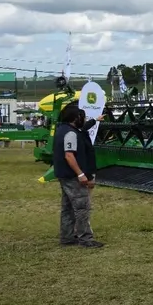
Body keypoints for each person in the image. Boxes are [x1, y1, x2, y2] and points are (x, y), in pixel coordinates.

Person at [53, 102, 103, 247]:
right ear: (76, 118)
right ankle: (86, 239)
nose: (84, 120)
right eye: (83, 117)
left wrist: (96, 120)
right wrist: (80, 174)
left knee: (67, 208)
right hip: (73, 176)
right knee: (82, 208)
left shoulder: (62, 129)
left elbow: (83, 129)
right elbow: (69, 155)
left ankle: (67, 237)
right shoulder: (71, 133)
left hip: (64, 175)